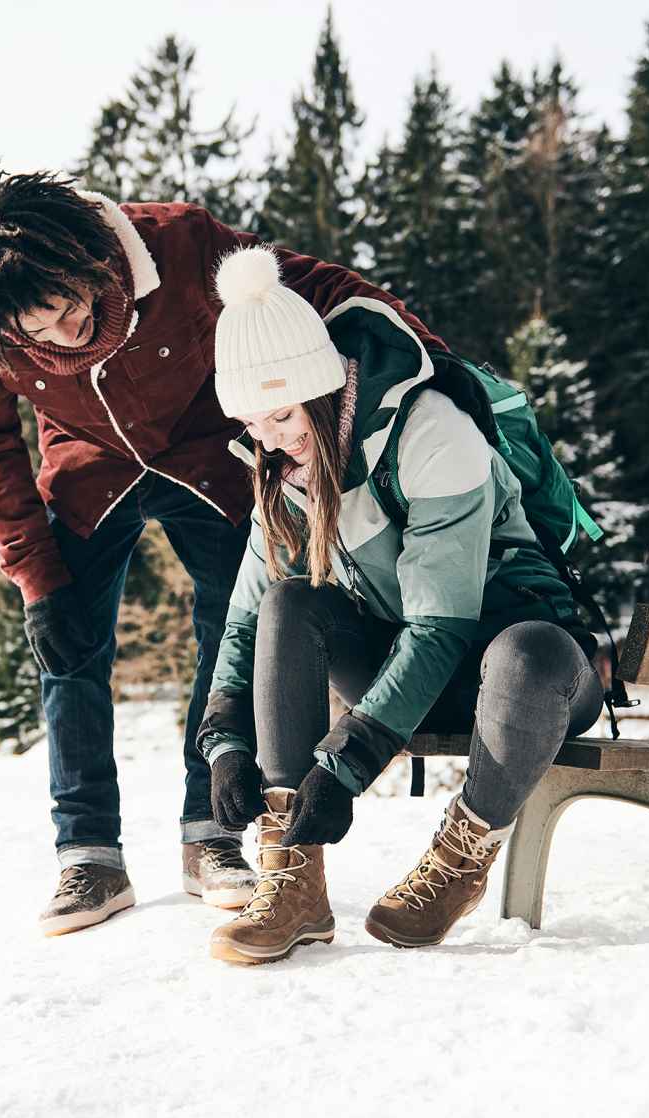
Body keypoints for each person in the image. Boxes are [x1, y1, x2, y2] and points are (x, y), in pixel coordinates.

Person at [0, 169, 440, 936]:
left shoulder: (180, 244)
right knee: (66, 640)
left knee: (231, 634)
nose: (67, 331)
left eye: (71, 305)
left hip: (211, 460)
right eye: (44, 329)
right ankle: (88, 854)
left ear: (90, 260)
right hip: (89, 474)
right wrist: (34, 576)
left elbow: (308, 290)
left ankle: (212, 833)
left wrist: (422, 348)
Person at [196, 246, 604, 965]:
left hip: (531, 682)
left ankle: (463, 849)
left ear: (322, 388)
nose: (271, 440)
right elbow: (245, 617)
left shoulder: (431, 432)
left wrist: (350, 759)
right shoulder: (281, 469)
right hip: (415, 681)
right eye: (252, 424)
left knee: (528, 651)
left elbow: (440, 627)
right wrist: (224, 742)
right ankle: (293, 876)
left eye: (283, 414)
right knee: (292, 603)